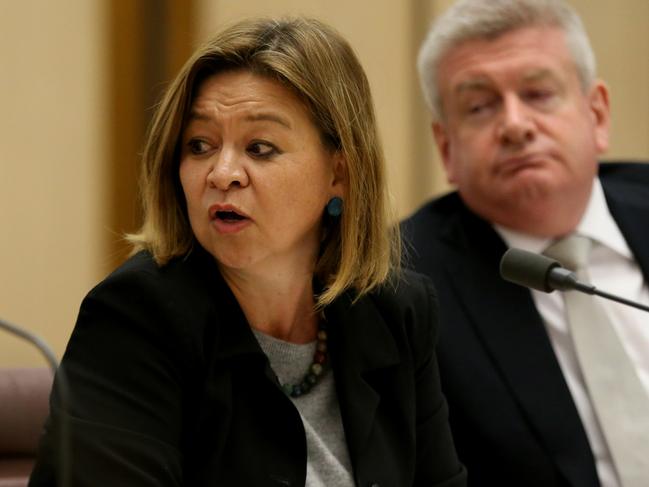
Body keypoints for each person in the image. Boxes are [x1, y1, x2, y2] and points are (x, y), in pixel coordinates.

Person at [29, 17, 466, 487]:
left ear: (339, 173)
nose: (222, 173)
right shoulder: (135, 318)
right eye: (199, 145)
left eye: (260, 148)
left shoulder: (394, 310)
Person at [402, 0, 649, 486]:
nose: (515, 125)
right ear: (447, 149)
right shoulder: (401, 284)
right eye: (479, 106)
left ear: (597, 115)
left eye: (537, 93)